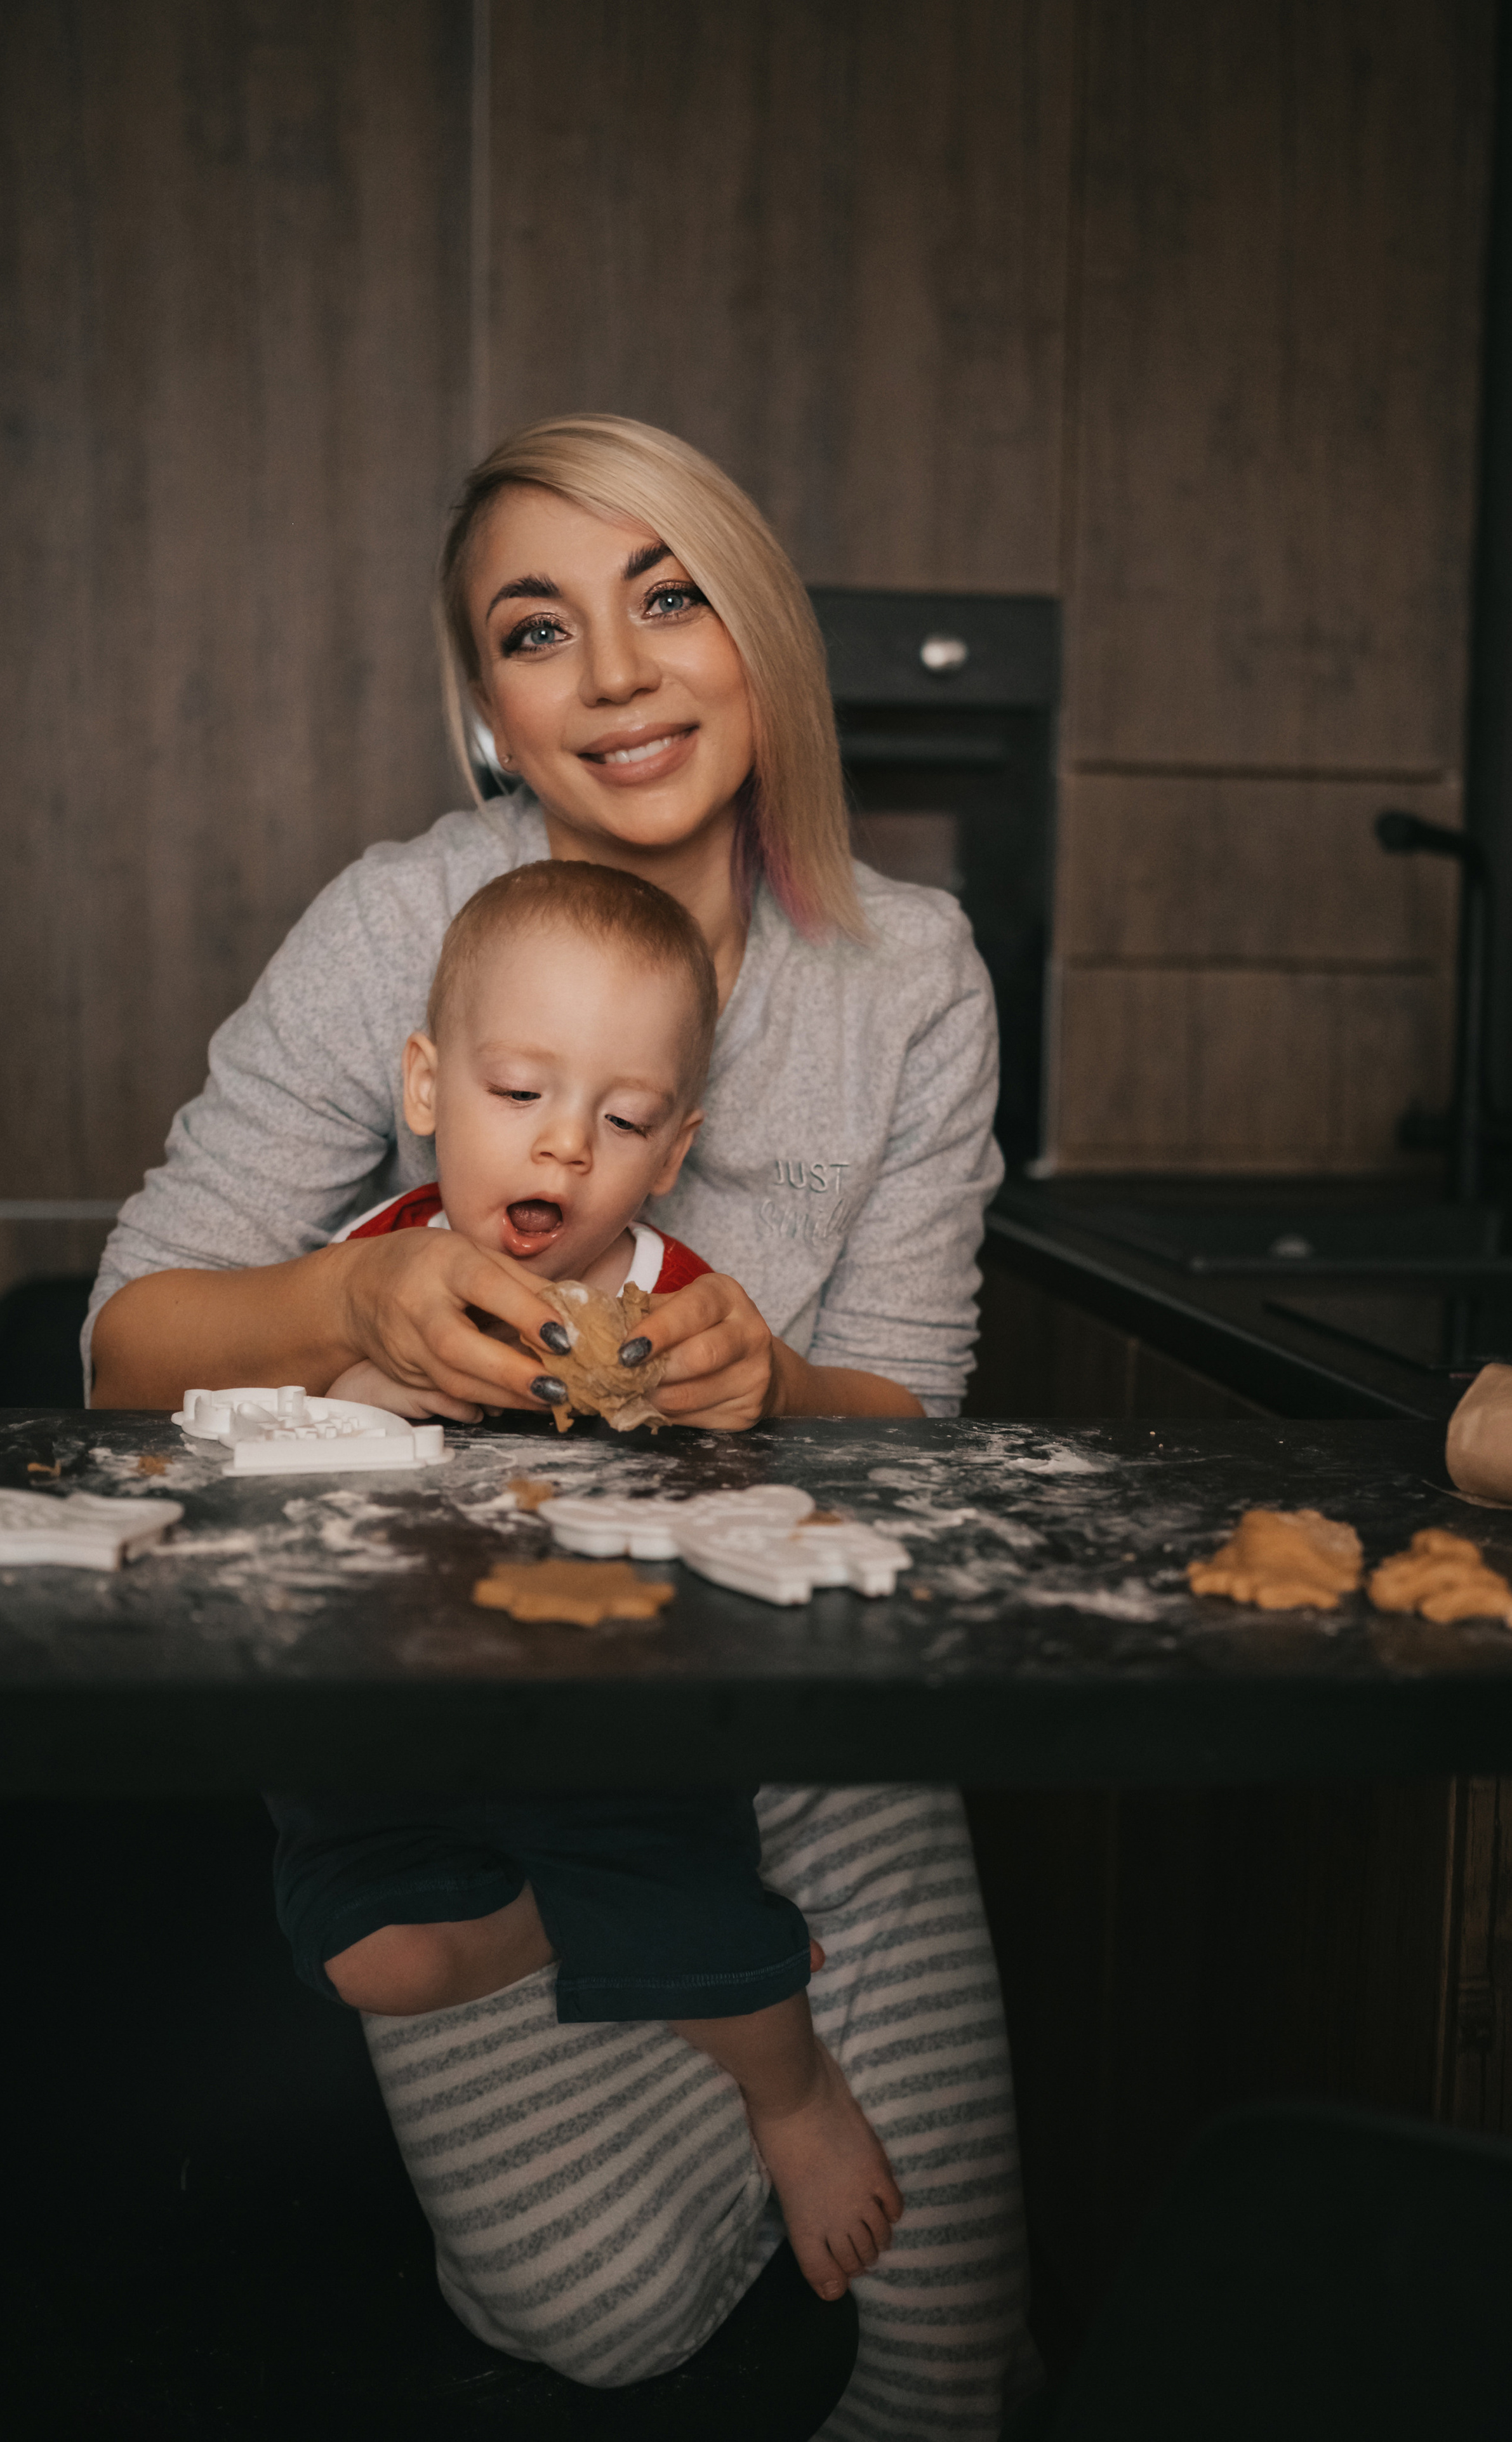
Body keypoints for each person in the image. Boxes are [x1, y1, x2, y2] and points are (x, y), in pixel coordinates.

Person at [88, 413, 1037, 2436]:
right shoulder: (396, 925)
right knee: (594, 2314)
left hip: (793, 1689)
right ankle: (712, 1977)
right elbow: (126, 1345)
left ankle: (794, 2047)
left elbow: (911, 1424)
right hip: (455, 1703)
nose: (613, 674)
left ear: (759, 638)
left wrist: (775, 1387)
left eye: (668, 597)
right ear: (490, 715)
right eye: (539, 628)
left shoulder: (912, 976)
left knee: (947, 2367)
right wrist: (353, 1293)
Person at [272, 854, 905, 2305]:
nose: (562, 1150)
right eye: (516, 1096)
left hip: (615, 1713)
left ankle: (788, 2088)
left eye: (617, 1121)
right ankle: (591, 1915)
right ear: (425, 1087)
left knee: (703, 1937)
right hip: (390, 1713)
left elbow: (827, 1472)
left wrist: (744, 1407)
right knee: (368, 1956)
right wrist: (360, 1378)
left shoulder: (685, 1313)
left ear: (673, 1146)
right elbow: (258, 1448)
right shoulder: (364, 1267)